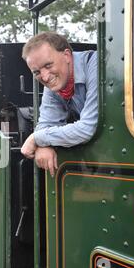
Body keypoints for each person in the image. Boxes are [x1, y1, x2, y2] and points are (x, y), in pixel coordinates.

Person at [20, 32, 98, 177]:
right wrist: (43, 145)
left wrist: (36, 139)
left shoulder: (97, 65)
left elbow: (87, 128)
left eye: (48, 65)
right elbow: (46, 123)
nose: (44, 76)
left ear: (67, 56)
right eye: (36, 72)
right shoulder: (55, 84)